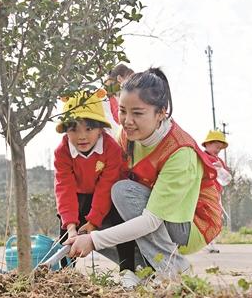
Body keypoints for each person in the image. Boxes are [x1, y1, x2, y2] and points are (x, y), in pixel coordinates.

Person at [66, 68, 223, 287]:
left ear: (161, 113)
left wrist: (93, 240)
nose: (127, 121)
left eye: (137, 113)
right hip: (150, 211)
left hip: (190, 223)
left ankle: (175, 269)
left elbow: (151, 220)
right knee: (94, 212)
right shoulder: (127, 137)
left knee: (122, 192)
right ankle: (144, 269)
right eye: (122, 111)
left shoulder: (180, 152)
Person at [54, 89, 135, 270]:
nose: (81, 136)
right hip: (78, 195)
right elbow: (64, 187)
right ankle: (65, 273)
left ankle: (128, 270)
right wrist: (71, 226)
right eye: (73, 129)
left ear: (100, 129)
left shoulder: (111, 149)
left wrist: (93, 221)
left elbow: (106, 185)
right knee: (65, 231)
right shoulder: (62, 152)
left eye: (89, 129)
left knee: (120, 222)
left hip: (108, 194)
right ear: (66, 131)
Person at [202, 130, 231, 253]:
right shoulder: (203, 157)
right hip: (205, 193)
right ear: (207, 144)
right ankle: (206, 243)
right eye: (216, 146)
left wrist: (221, 168)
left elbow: (226, 177)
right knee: (208, 218)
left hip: (216, 194)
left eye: (220, 148)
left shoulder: (220, 161)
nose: (218, 150)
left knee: (216, 218)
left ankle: (212, 243)